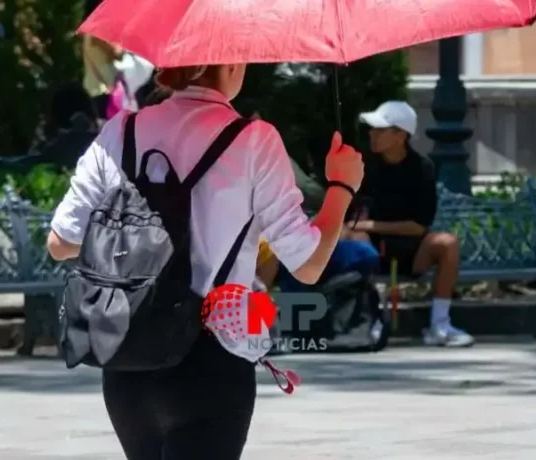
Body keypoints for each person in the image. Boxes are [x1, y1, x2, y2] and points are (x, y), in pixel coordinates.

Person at [46, 64, 365, 460]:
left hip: (127, 350)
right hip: (211, 356)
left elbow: (60, 242)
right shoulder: (253, 139)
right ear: (230, 62)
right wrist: (342, 187)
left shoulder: (120, 130)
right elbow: (308, 264)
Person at [344, 100, 474, 348]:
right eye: (372, 129)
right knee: (352, 239)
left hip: (413, 252)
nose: (372, 134)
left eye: (380, 130)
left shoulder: (423, 169)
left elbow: (418, 226)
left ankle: (439, 324)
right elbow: (352, 217)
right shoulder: (364, 165)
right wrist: (361, 227)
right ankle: (365, 319)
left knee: (447, 243)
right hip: (372, 250)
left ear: (401, 135)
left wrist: (370, 226)